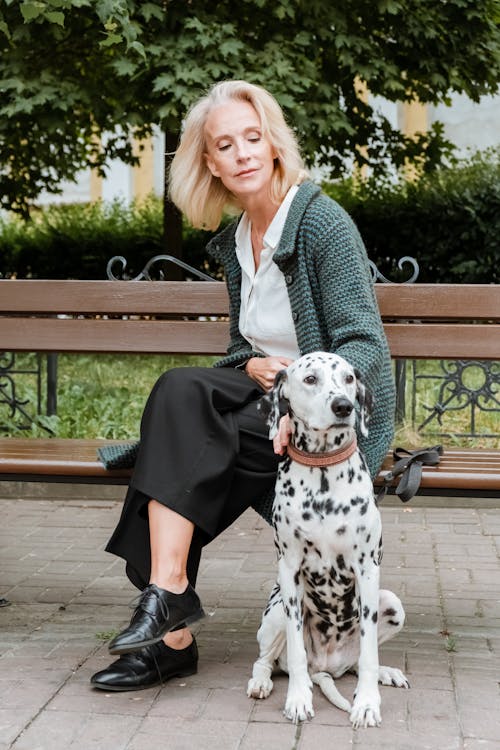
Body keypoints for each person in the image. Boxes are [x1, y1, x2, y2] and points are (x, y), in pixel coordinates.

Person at [90, 80, 395, 691]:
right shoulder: (236, 244)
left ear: (275, 143)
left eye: (253, 138)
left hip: (321, 429)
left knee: (180, 437)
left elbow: (364, 347)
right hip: (265, 410)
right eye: (226, 145)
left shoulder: (321, 223)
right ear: (211, 163)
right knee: (181, 399)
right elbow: (244, 350)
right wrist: (254, 368)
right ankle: (169, 600)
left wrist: (296, 400)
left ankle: (169, 630)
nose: (243, 154)